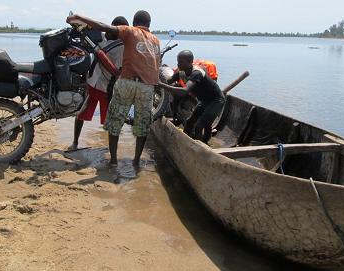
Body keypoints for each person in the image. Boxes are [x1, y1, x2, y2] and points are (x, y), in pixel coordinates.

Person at [66, 10, 160, 167]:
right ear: (149, 24)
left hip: (123, 82)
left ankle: (114, 160)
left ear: (133, 22)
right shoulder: (156, 41)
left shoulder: (129, 33)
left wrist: (80, 17)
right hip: (146, 86)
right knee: (142, 125)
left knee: (114, 122)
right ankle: (136, 161)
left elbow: (102, 26)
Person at [68, 16, 129, 151]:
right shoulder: (101, 37)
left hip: (108, 88)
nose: (110, 31)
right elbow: (87, 29)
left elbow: (118, 70)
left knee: (109, 121)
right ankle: (75, 142)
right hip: (92, 82)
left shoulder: (123, 47)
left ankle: (109, 148)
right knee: (81, 113)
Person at [159, 50, 225, 144]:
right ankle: (184, 141)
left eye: (181, 62)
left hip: (216, 101)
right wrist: (157, 83)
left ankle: (201, 146)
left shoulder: (196, 73)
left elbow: (185, 91)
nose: (178, 64)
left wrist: (164, 86)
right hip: (204, 101)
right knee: (190, 122)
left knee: (200, 126)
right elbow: (168, 81)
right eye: (178, 61)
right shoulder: (181, 72)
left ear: (190, 62)